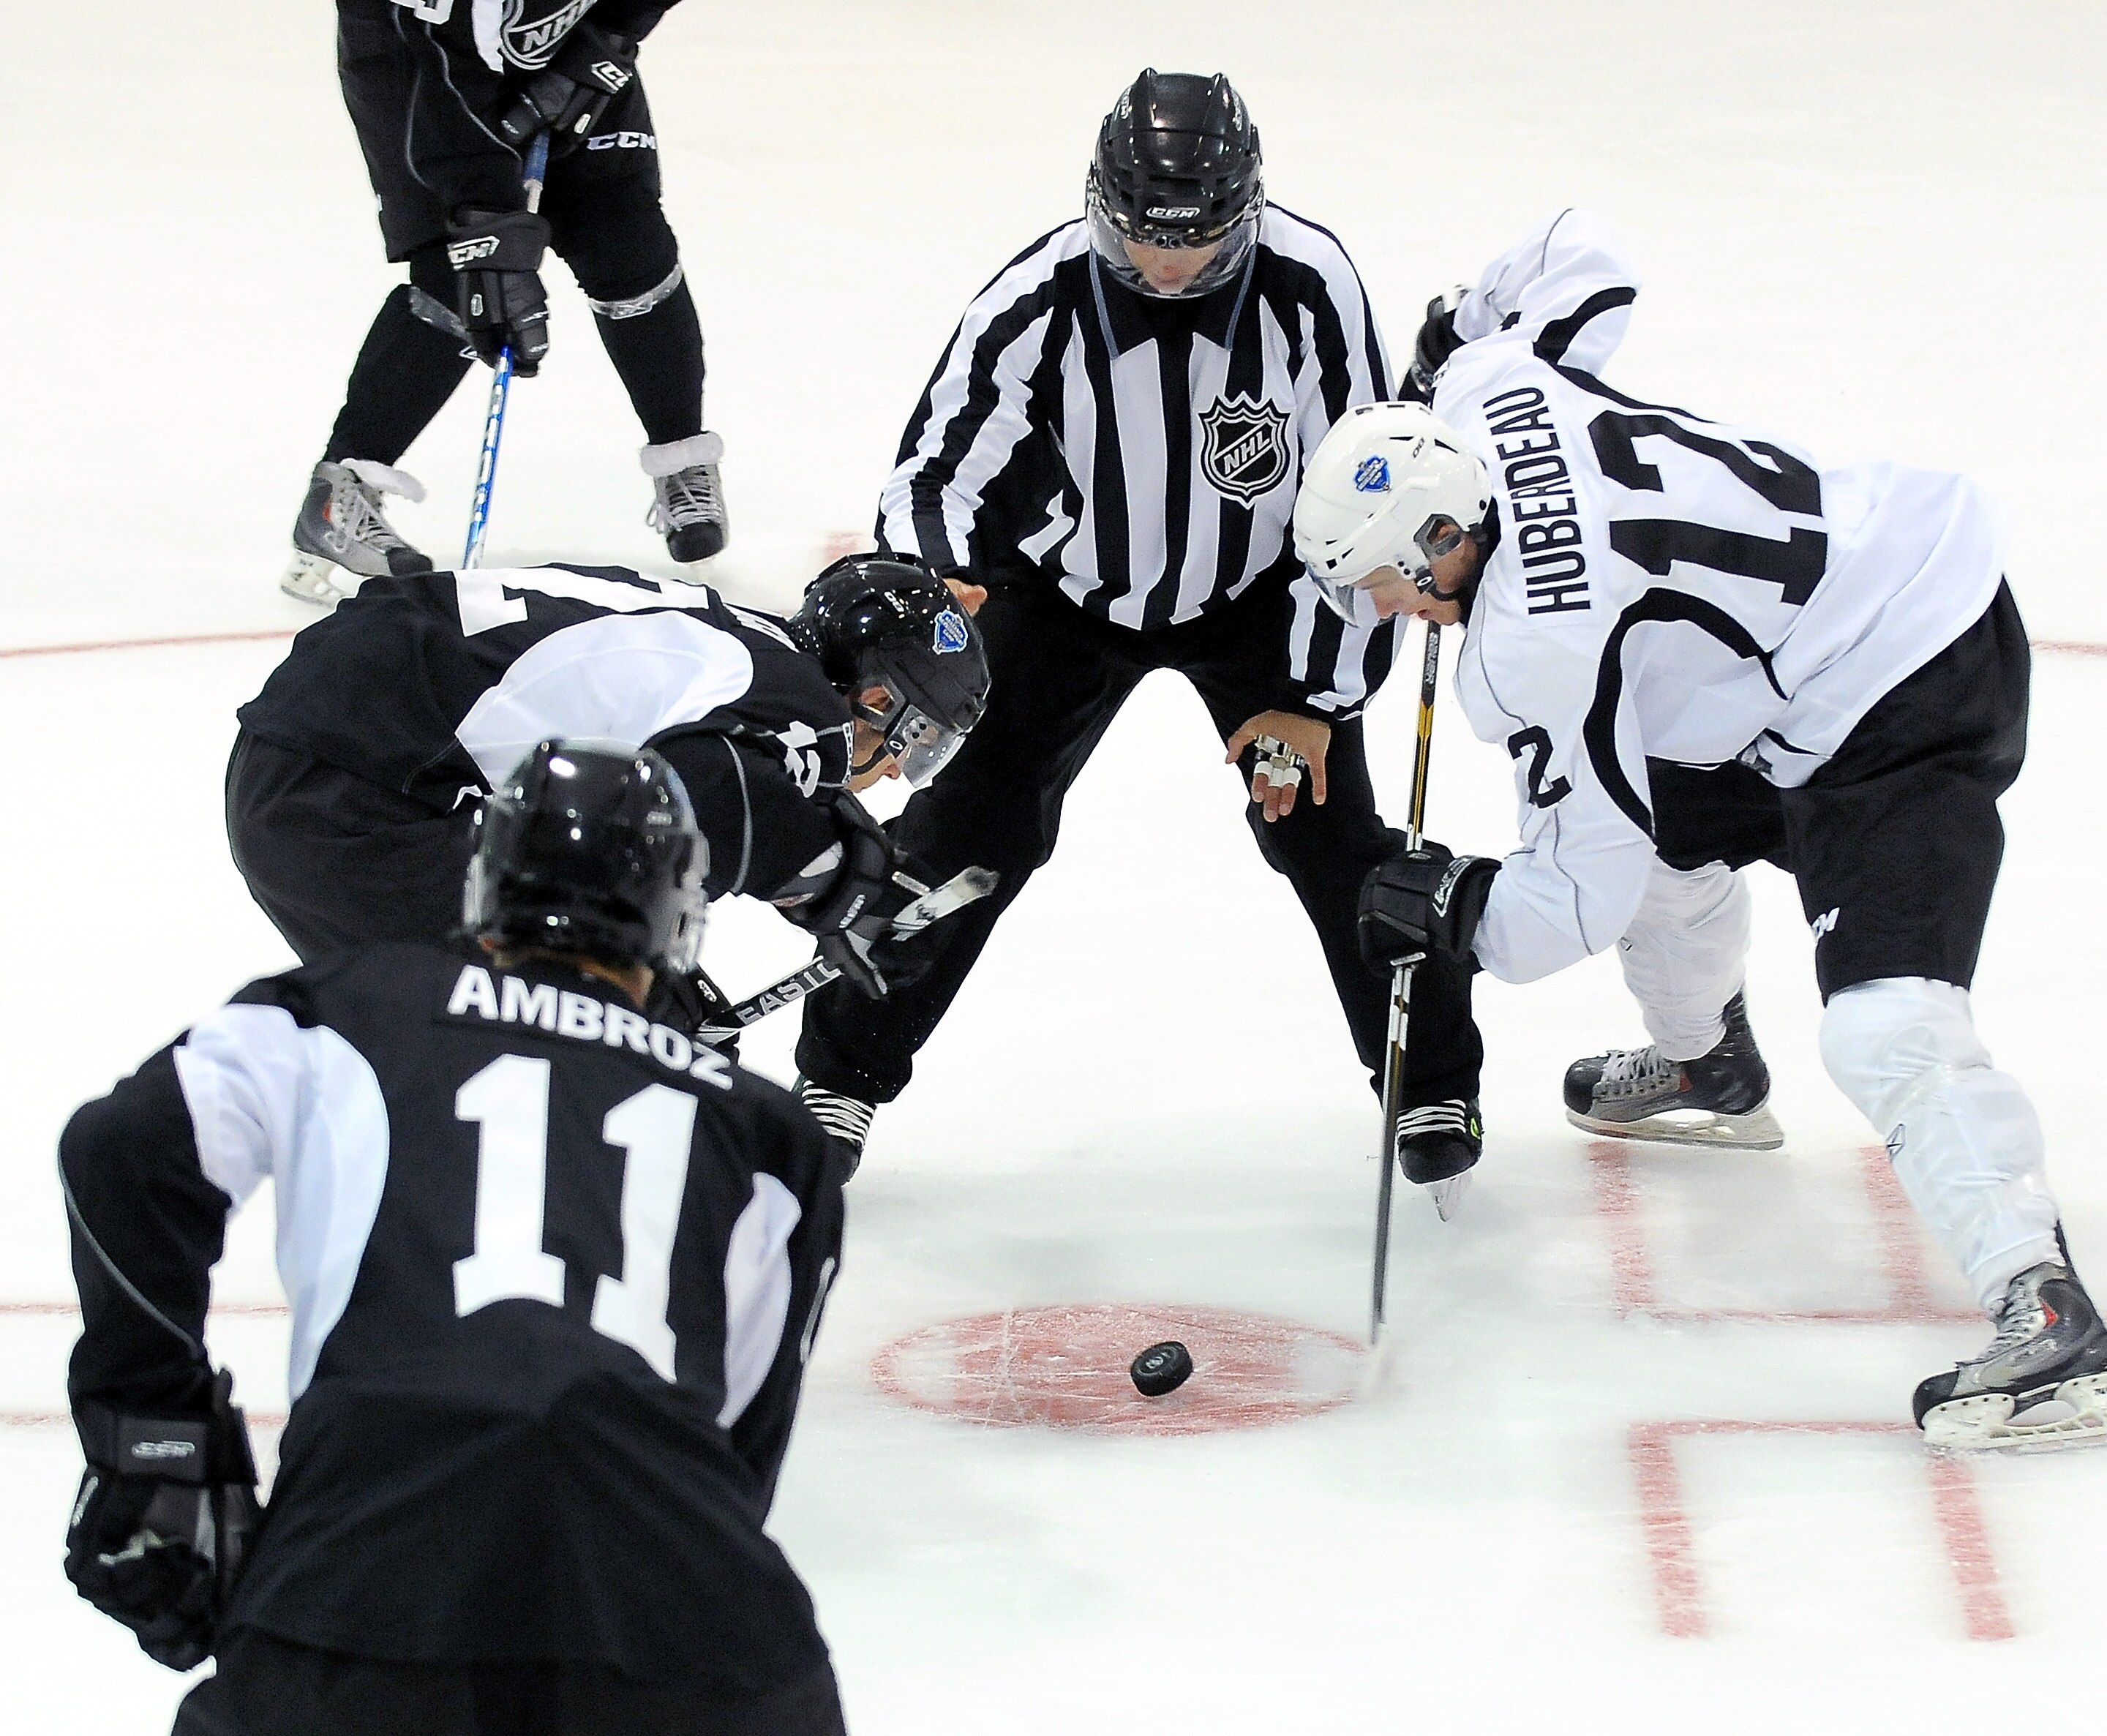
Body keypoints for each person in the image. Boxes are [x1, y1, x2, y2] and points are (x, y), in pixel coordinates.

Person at [1296, 208, 2107, 1451]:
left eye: (1385, 580)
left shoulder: (1537, 642)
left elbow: (1576, 895)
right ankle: (1709, 1064)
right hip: (1813, 638)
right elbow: (1587, 258)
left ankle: (2050, 1306)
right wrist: (1465, 329)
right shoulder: (1489, 388)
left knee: (1884, 1021)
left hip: (1905, 676)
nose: (1387, 608)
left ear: (1443, 537)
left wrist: (1459, 912)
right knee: (1668, 816)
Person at [61, 742, 850, 1734]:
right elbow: (739, 1447)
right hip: (694, 1625)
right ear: (676, 919)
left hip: (367, 1580)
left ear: (485, 884)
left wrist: (153, 1438)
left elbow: (122, 1148)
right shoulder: (770, 1136)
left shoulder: (351, 1007)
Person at [789, 69, 1485, 1188]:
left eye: (1201, 242)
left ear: (1246, 211)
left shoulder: (1311, 287)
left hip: (1265, 592)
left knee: (1329, 832)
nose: (1168, 268)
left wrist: (1310, 698)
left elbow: (1366, 491)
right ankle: (839, 1073)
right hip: (1064, 601)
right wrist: (943, 587)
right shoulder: (1034, 296)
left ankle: (1431, 1076)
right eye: (1143, 240)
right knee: (971, 829)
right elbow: (935, 475)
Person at [228, 555, 988, 1017]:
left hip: (315, 759)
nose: (894, 772)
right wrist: (836, 884)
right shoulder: (807, 713)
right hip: (356, 796)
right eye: (910, 742)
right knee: (613, 1034)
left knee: (519, 1010)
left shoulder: (747, 646)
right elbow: (717, 800)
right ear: (878, 698)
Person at [283, 1, 726, 606]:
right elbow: (442, 79)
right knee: (459, 277)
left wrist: (606, 40)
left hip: (574, 39)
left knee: (626, 239)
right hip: (415, 69)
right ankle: (340, 493)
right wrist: (488, 225)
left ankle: (683, 460)